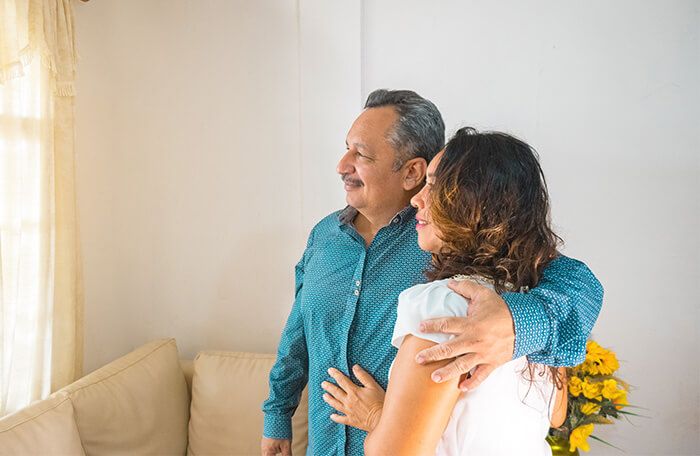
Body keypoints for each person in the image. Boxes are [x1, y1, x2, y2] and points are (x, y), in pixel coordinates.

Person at [261, 90, 603, 456]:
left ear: (413, 172)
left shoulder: (443, 276)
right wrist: (277, 416)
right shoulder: (324, 236)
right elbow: (297, 331)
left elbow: (580, 283)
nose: (342, 164)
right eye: (347, 148)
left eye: (361, 153)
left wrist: (519, 323)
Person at [323, 127, 571, 455]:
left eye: (434, 185)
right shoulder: (540, 305)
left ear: (475, 203)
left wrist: (376, 416)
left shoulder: (444, 304)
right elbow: (556, 414)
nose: (417, 200)